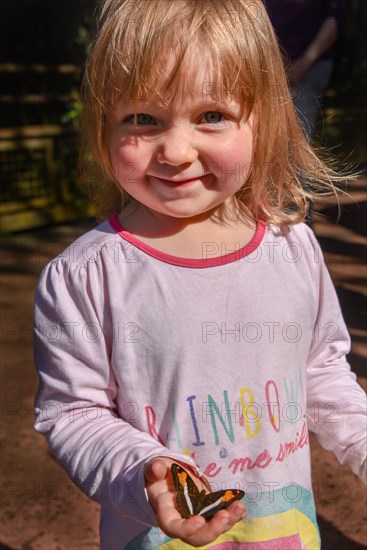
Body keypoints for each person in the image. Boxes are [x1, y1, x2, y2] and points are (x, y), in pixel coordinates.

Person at [33, 1, 366, 549]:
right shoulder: (82, 277)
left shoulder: (294, 246)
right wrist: (147, 471)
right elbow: (73, 413)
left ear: (264, 119)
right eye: (142, 119)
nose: (176, 151)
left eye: (212, 115)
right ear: (102, 124)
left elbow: (321, 370)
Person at [264, 0, 347, 139]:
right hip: (268, 65)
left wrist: (305, 62)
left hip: (309, 68)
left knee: (297, 137)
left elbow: (335, 21)